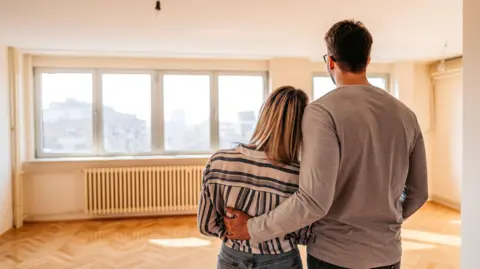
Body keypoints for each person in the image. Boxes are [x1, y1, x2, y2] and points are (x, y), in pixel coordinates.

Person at [224, 20, 428, 269]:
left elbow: (313, 200)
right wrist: (387, 220)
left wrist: (252, 228)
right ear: (368, 60)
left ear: (330, 61)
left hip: (333, 256)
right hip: (388, 255)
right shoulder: (406, 115)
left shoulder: (322, 112)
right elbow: (419, 192)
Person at [197, 86, 313, 269]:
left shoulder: (219, 161)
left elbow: (206, 225)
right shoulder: (301, 174)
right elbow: (305, 235)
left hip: (231, 257)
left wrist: (237, 233)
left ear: (264, 115)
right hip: (281, 260)